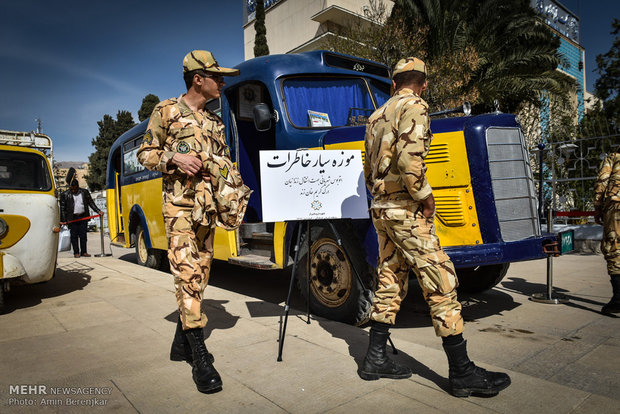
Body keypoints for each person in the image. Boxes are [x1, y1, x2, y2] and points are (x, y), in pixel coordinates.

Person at [362, 57, 511, 397]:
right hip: (406, 208)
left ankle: (375, 357)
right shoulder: (415, 106)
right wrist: (425, 196)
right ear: (424, 83)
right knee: (440, 280)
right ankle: (462, 373)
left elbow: (367, 167)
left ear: (393, 82)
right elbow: (409, 159)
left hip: (381, 208)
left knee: (390, 278)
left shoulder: (375, 116)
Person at [137, 50, 240, 394]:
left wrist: (233, 190)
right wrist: (173, 157)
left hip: (207, 211)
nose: (222, 82)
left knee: (203, 273)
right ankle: (200, 355)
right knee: (188, 273)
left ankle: (180, 342)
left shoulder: (216, 122)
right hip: (179, 209)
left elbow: (223, 162)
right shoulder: (166, 110)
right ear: (198, 78)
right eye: (217, 76)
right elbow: (145, 153)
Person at [593, 148, 620, 315]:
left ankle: (618, 299)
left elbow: (602, 181)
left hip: (616, 205)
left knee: (614, 249)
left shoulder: (614, 157)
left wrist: (597, 207)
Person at [59, 179, 103, 258]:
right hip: (72, 218)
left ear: (78, 187)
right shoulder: (65, 194)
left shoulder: (84, 192)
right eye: (71, 189)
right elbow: (62, 208)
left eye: (75, 189)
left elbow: (90, 202)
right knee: (74, 236)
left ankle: (84, 252)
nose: (73, 191)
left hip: (83, 217)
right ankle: (76, 252)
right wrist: (63, 220)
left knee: (83, 236)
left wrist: (98, 211)